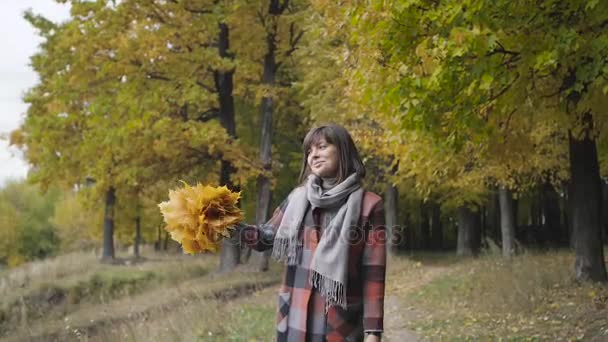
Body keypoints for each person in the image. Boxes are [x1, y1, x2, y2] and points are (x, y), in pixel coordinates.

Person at [239, 124, 387, 342]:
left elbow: (373, 273)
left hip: (340, 324)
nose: (313, 155)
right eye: (309, 151)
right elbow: (264, 238)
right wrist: (228, 225)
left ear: (343, 150)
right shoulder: (297, 199)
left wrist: (373, 332)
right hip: (294, 319)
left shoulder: (369, 205)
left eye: (322, 147)